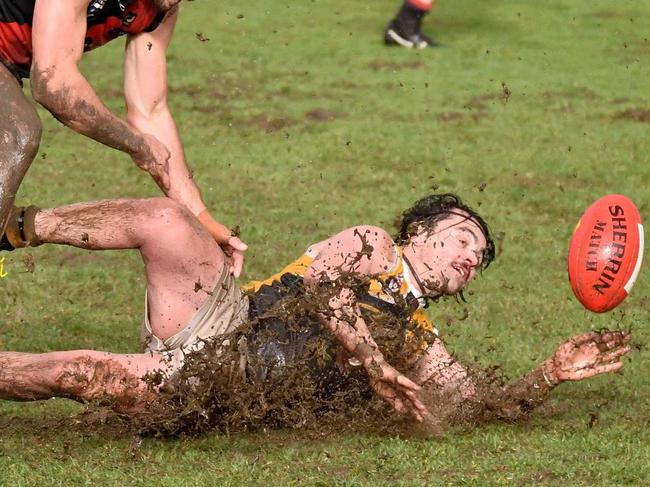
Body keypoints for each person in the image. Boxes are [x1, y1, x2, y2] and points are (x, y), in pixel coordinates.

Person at [0, 194, 631, 423]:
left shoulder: (417, 336)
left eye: (480, 257)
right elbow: (317, 292)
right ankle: (19, 223)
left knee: (78, 374)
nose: (472, 255)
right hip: (225, 320)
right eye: (463, 236)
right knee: (167, 217)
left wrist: (549, 374)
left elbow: (471, 405)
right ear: (417, 232)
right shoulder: (373, 244)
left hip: (212, 388)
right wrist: (370, 361)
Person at [0, 0, 246, 275]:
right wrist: (135, 143)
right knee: (17, 131)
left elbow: (150, 113)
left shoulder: (159, 9)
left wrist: (202, 218)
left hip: (6, 66)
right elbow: (52, 85)